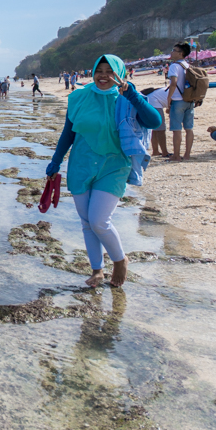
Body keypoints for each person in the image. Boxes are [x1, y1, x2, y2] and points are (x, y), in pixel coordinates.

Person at [44, 54, 164, 288]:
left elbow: (154, 121)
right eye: (99, 70)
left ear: (120, 73)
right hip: (81, 165)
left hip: (114, 166)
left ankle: (119, 260)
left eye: (110, 71)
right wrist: (55, 162)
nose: (103, 76)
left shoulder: (127, 98)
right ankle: (97, 270)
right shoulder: (79, 97)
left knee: (99, 221)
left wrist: (132, 95)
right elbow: (68, 133)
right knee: (87, 222)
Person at [164, 43, 195, 161]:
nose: (171, 52)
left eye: (174, 50)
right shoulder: (187, 65)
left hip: (178, 100)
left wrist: (169, 98)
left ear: (180, 53)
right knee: (189, 129)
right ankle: (187, 155)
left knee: (176, 129)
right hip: (189, 99)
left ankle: (176, 155)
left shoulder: (174, 66)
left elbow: (173, 83)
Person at [142, 86, 170, 157]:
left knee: (155, 128)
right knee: (161, 128)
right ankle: (164, 152)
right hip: (154, 102)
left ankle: (155, 151)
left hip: (151, 100)